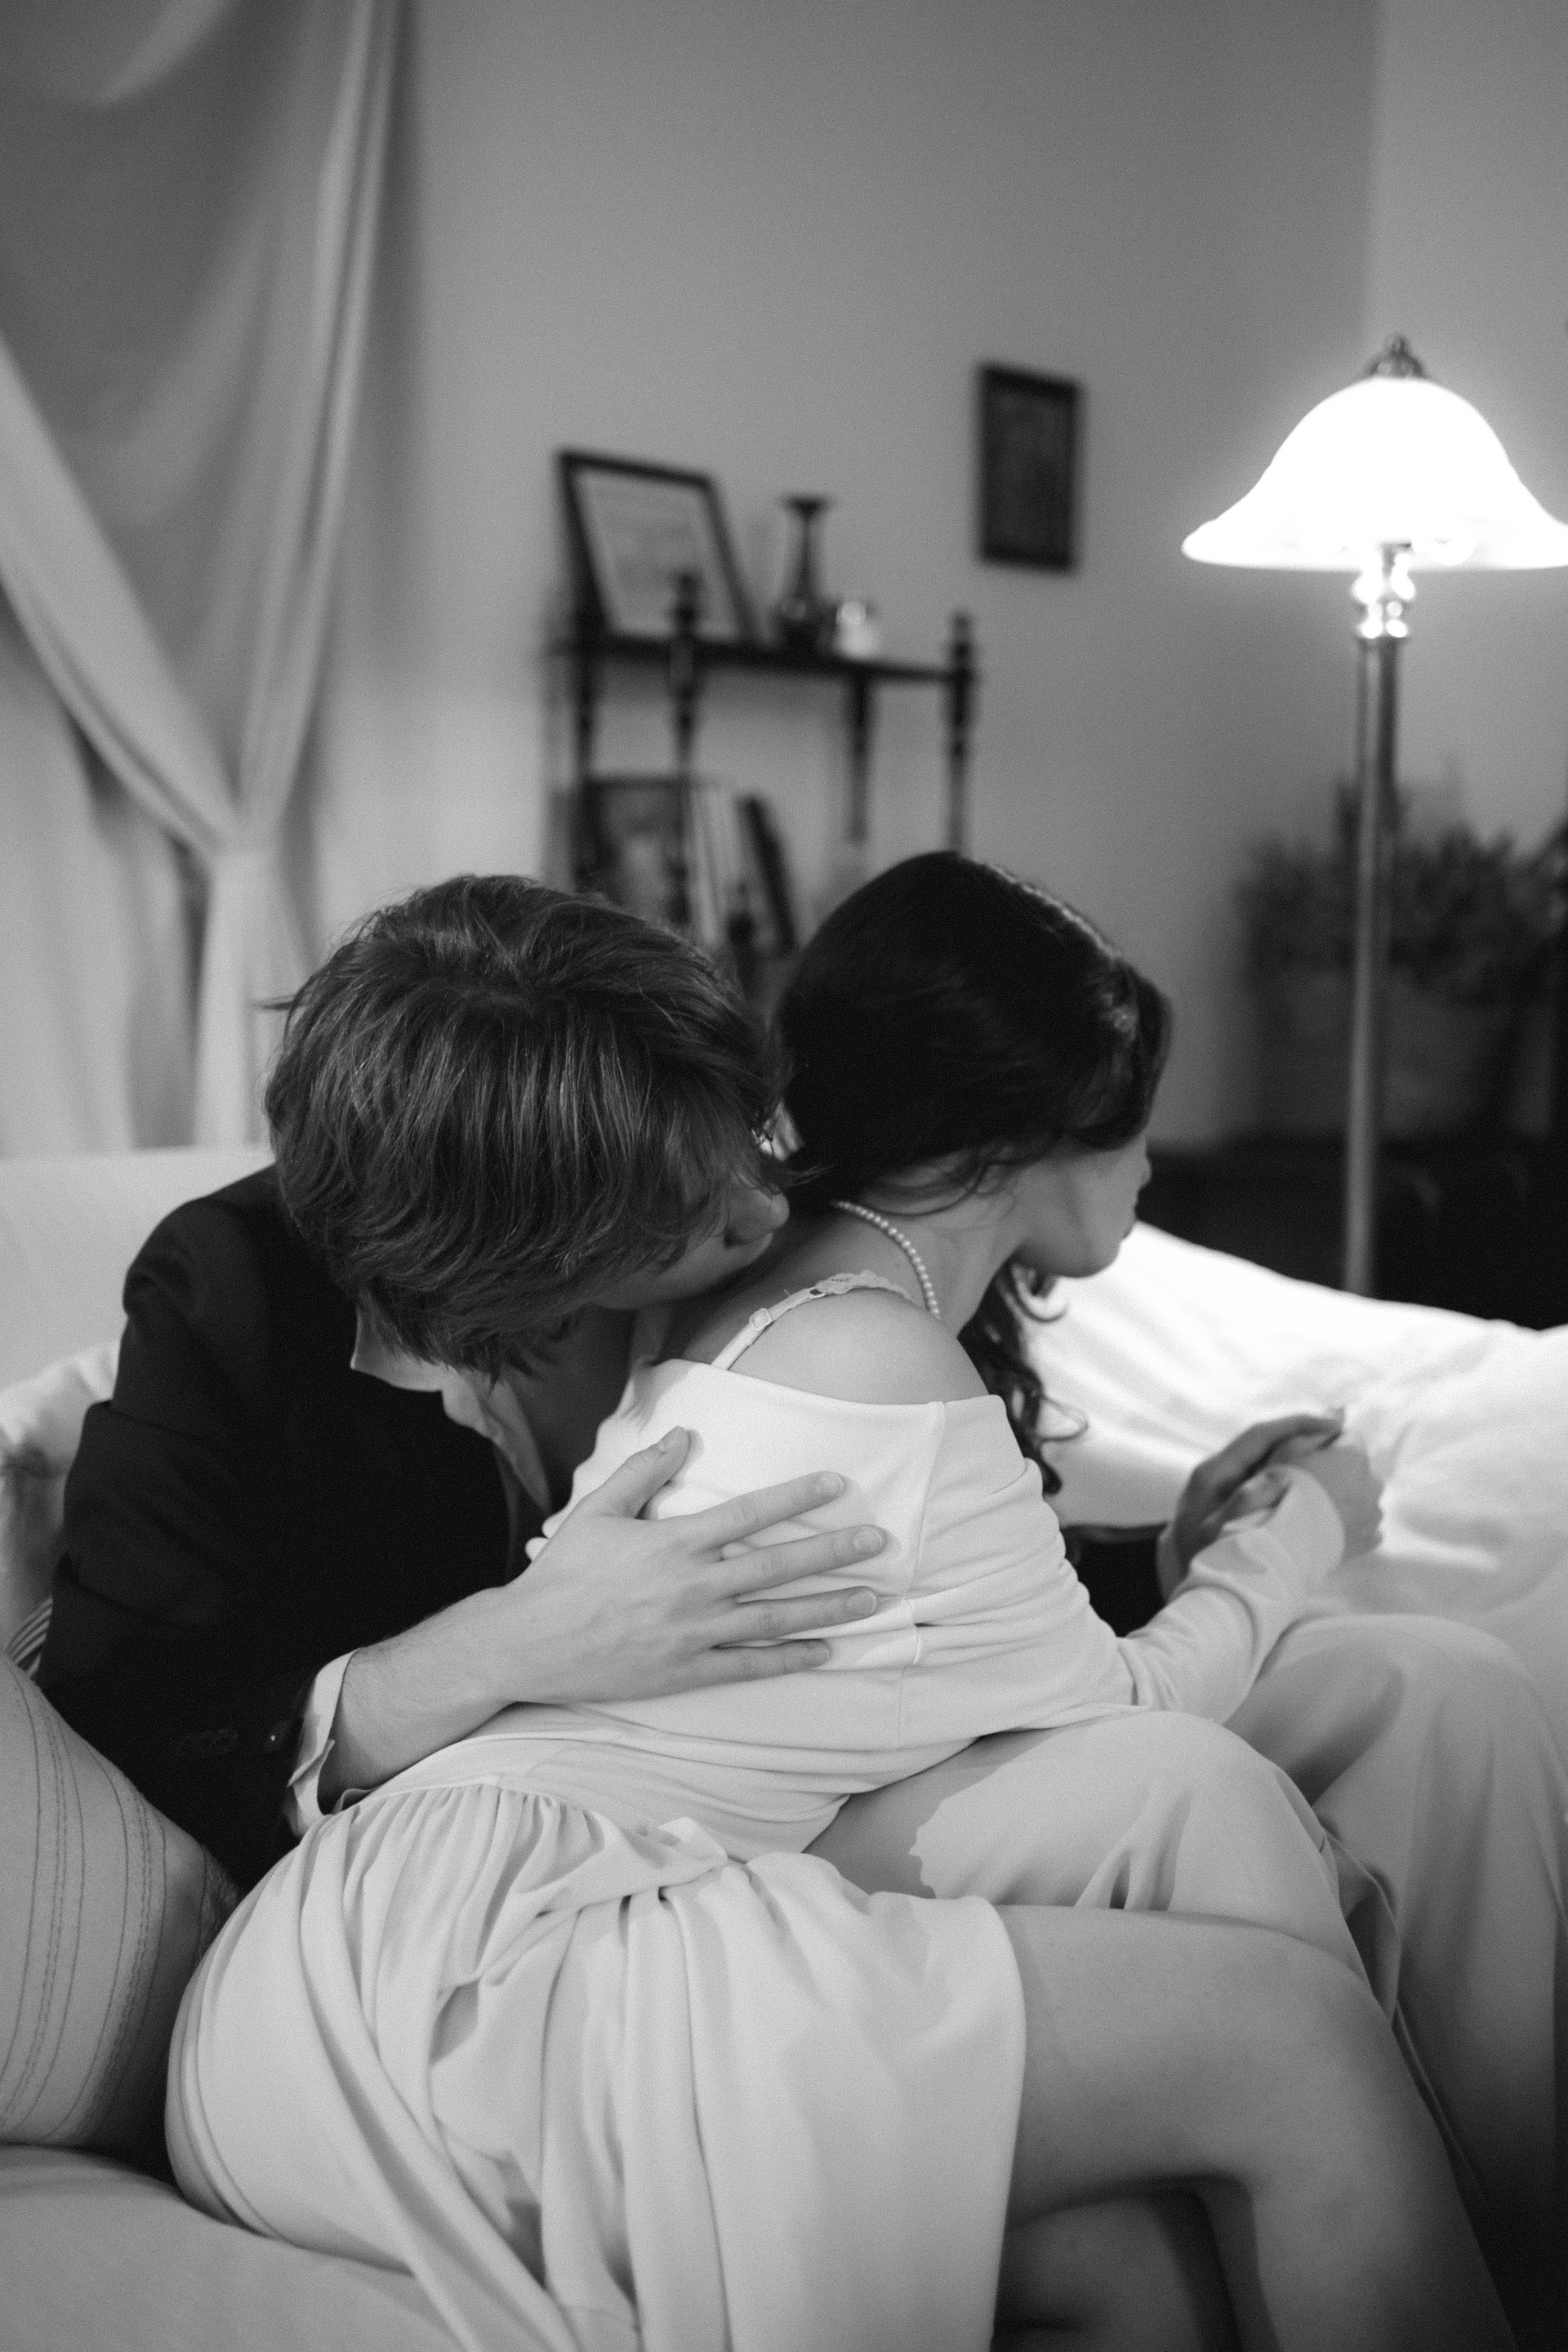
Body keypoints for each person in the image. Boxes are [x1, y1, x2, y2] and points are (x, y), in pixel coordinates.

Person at [163, 876, 1508, 2350]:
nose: (761, 1209)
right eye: (687, 1216)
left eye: (756, 1141)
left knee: (1137, 2249)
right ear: (545, 1264)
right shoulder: (274, 1286)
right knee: (1294, 2032)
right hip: (463, 1960)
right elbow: (136, 1695)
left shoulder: (722, 1302)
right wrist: (1300, 1526)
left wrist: (1178, 1552)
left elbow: (918, 1616)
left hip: (337, 1971)